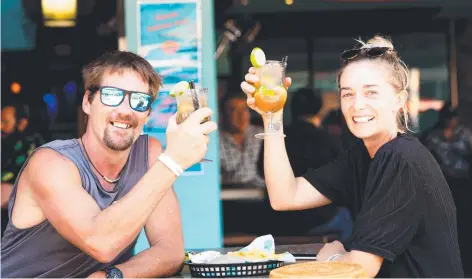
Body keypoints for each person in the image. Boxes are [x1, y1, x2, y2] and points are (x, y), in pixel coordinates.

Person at [241, 36, 463, 277]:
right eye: (348, 94)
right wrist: (272, 116)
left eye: (371, 93)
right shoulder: (363, 156)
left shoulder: (400, 158)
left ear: (399, 100)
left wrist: (333, 257)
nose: (357, 105)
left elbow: (360, 270)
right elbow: (284, 196)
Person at [1, 51, 217, 278]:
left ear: (148, 113)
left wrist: (112, 275)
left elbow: (170, 251)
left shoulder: (148, 153)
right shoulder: (50, 163)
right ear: (87, 102)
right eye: (112, 95)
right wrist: (173, 162)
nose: (125, 110)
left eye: (139, 100)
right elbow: (101, 243)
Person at [1, 100, 45, 236]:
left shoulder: (31, 146)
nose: (0, 126)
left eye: (5, 122)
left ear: (22, 124)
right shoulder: (7, 143)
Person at [219, 93, 265, 188]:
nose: (241, 115)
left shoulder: (261, 135)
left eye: (244, 109)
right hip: (229, 195)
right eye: (234, 110)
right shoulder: (216, 141)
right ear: (224, 115)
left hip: (260, 195)